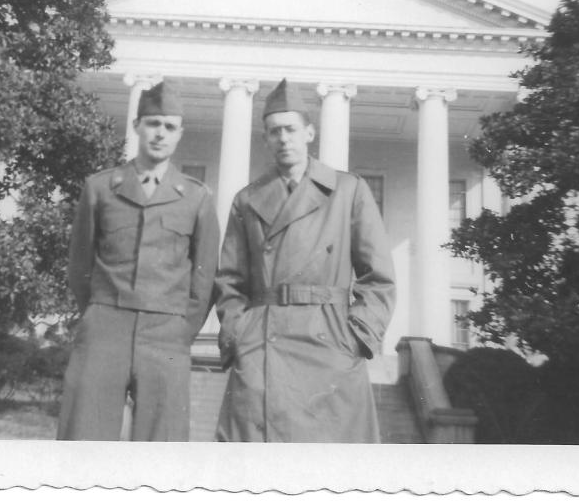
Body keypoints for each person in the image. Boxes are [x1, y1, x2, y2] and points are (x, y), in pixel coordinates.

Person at [213, 78, 396, 442]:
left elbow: (379, 277)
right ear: (265, 138)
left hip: (330, 344)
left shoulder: (348, 190)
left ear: (309, 133)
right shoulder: (247, 200)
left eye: (291, 129)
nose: (283, 138)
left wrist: (356, 336)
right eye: (274, 131)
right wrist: (239, 333)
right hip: (263, 344)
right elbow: (230, 280)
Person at [57, 81, 220, 441]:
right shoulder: (100, 188)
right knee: (84, 434)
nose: (160, 134)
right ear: (136, 126)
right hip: (105, 326)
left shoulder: (196, 197)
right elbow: (80, 264)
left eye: (169, 127)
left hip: (167, 332)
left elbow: (204, 277)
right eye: (153, 124)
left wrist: (181, 329)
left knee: (163, 442)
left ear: (179, 134)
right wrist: (98, 312)